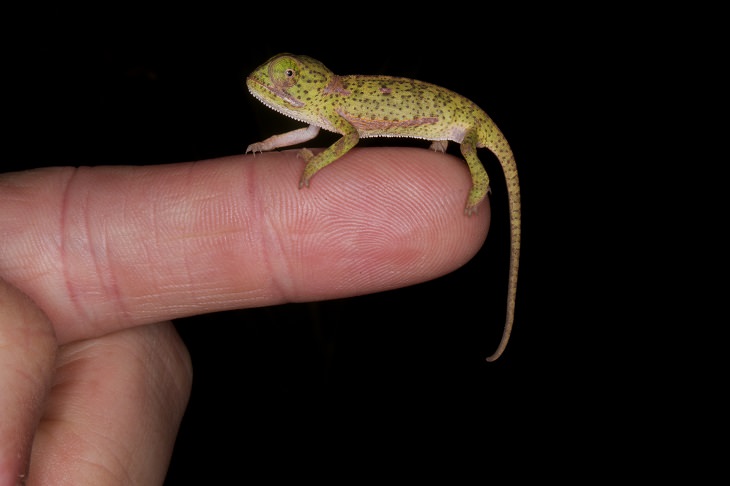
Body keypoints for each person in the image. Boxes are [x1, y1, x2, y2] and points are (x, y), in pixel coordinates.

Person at [0, 147, 489, 484]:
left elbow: (351, 135)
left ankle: (479, 175)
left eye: (290, 83)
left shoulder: (336, 106)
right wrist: (275, 143)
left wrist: (319, 162)